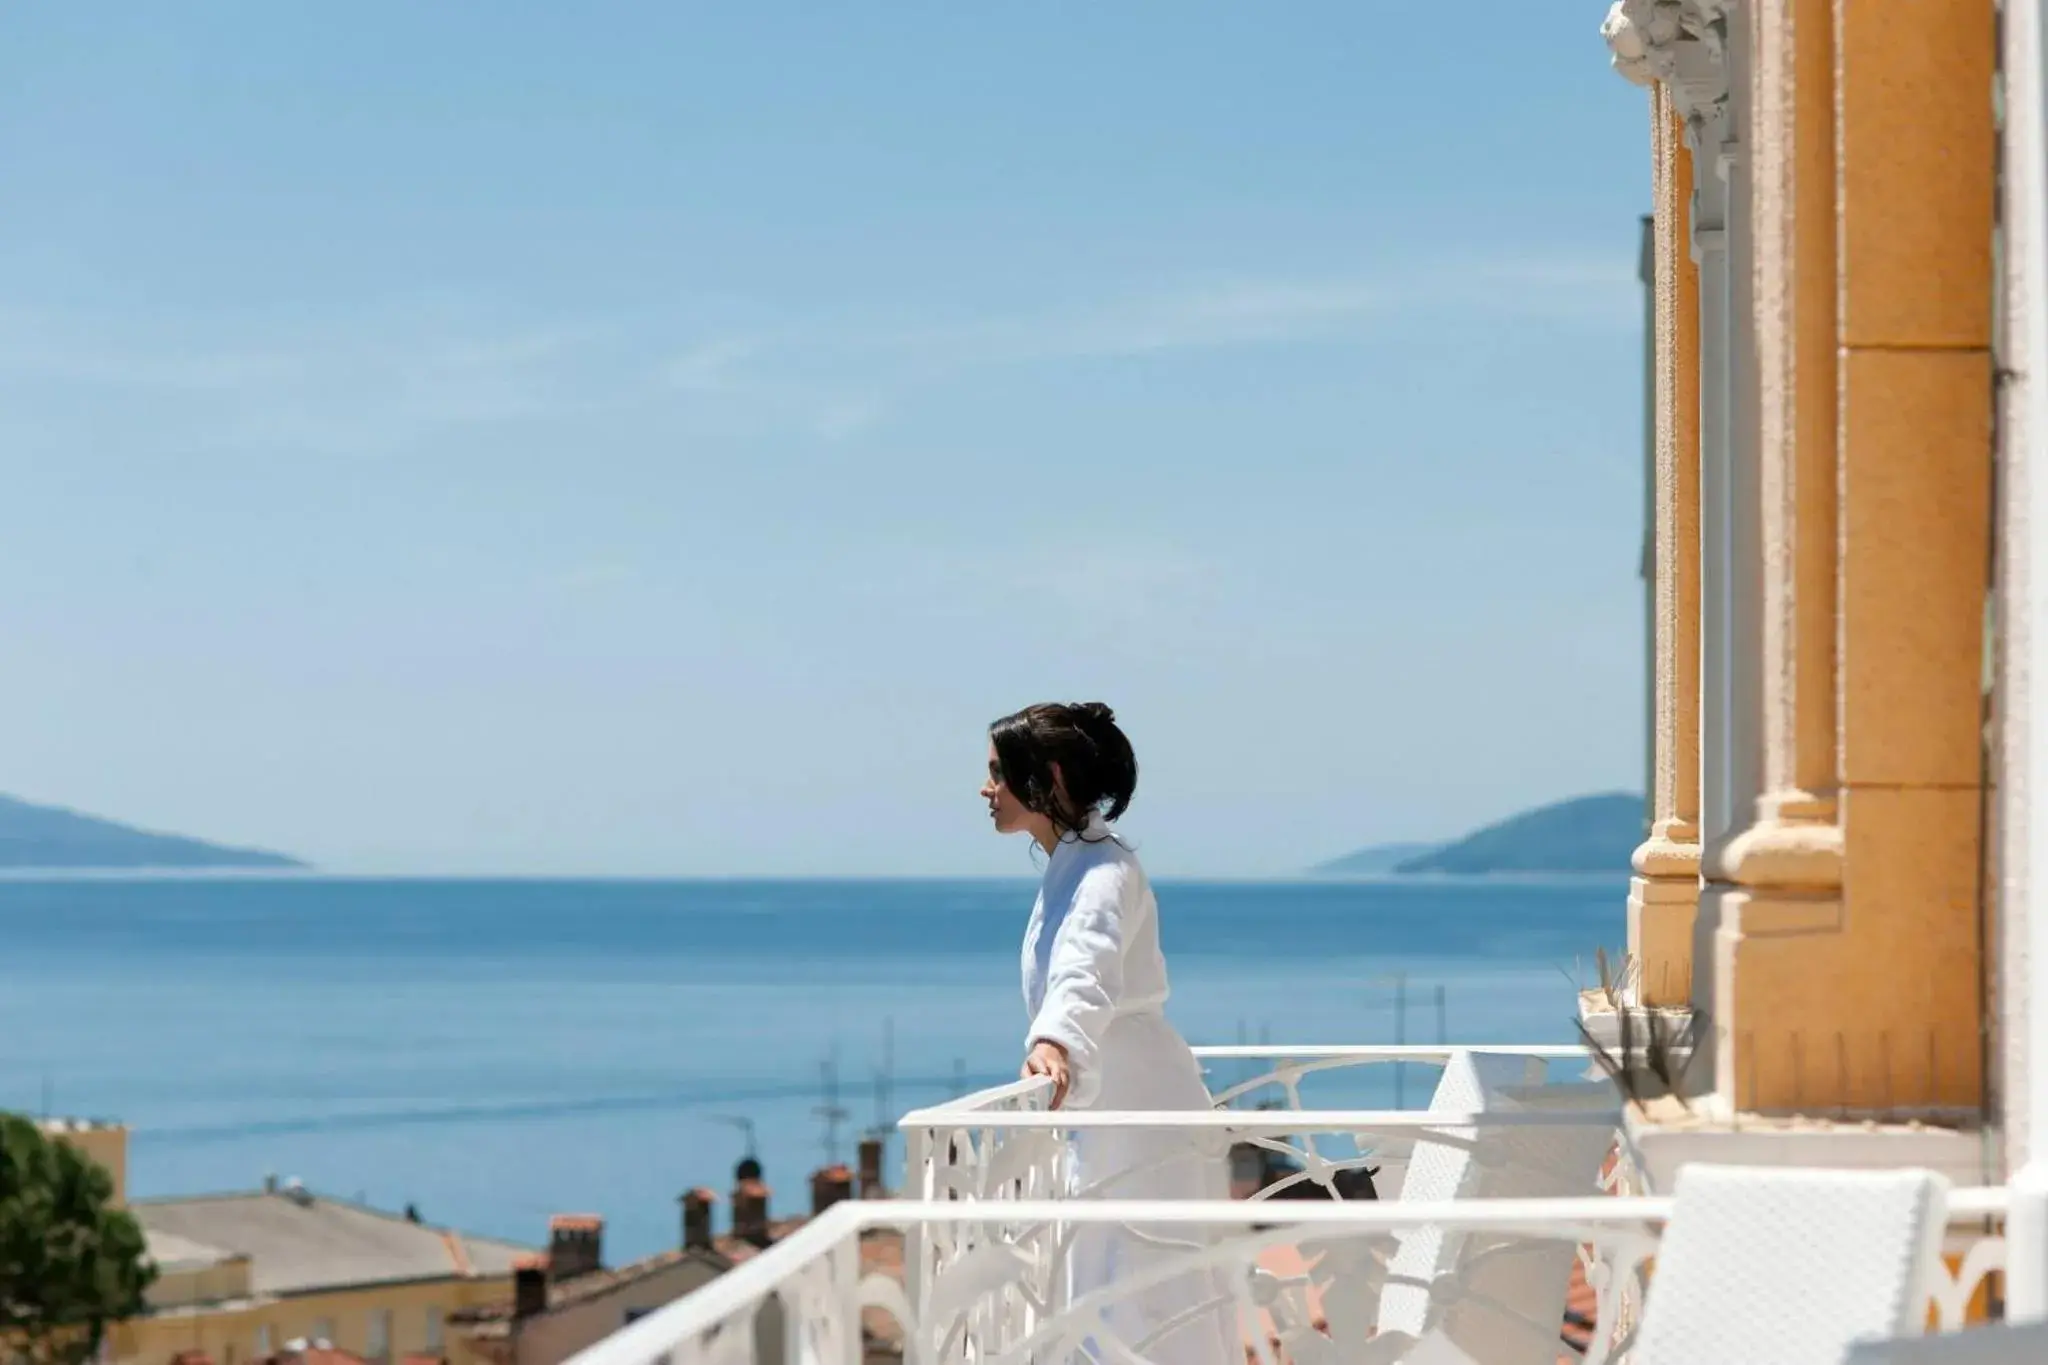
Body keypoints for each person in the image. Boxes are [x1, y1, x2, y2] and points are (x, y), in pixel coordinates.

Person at [981, 702, 1238, 1365]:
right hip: (1124, 1099)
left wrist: (1055, 1044)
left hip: (1137, 1107)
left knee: (1143, 1285)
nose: (986, 790)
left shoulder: (1101, 871)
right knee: (1123, 1282)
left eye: (997, 773)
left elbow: (1084, 970)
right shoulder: (1082, 861)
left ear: (1050, 777)